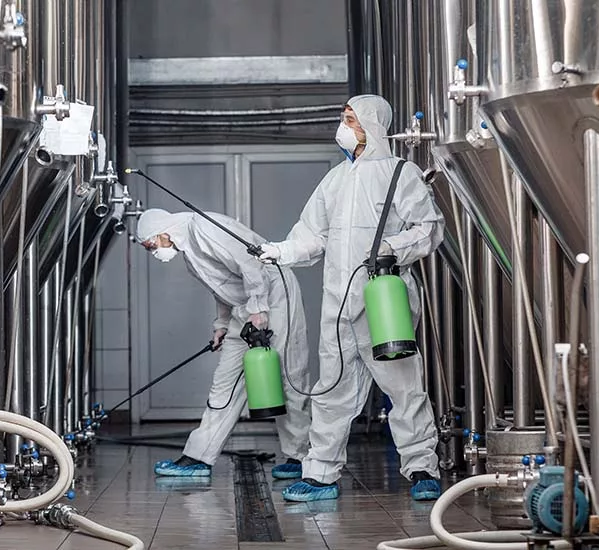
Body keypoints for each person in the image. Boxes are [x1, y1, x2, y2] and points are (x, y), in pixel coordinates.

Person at [258, 94, 445, 502]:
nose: (343, 126)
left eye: (350, 119)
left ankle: (422, 469)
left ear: (371, 125)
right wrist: (281, 251)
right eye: (343, 118)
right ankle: (321, 474)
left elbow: (428, 228)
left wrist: (392, 247)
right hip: (338, 303)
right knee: (332, 391)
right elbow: (311, 235)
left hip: (383, 301)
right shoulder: (335, 180)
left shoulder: (401, 173)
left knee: (403, 388)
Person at [136, 208, 312, 479]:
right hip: (246, 306)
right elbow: (222, 287)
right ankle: (198, 457)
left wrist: (258, 308)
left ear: (162, 232)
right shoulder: (190, 253)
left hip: (275, 297)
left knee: (289, 375)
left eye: (150, 245)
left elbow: (250, 262)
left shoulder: (204, 228)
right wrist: (221, 324)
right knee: (224, 384)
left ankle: (299, 457)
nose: (153, 252)